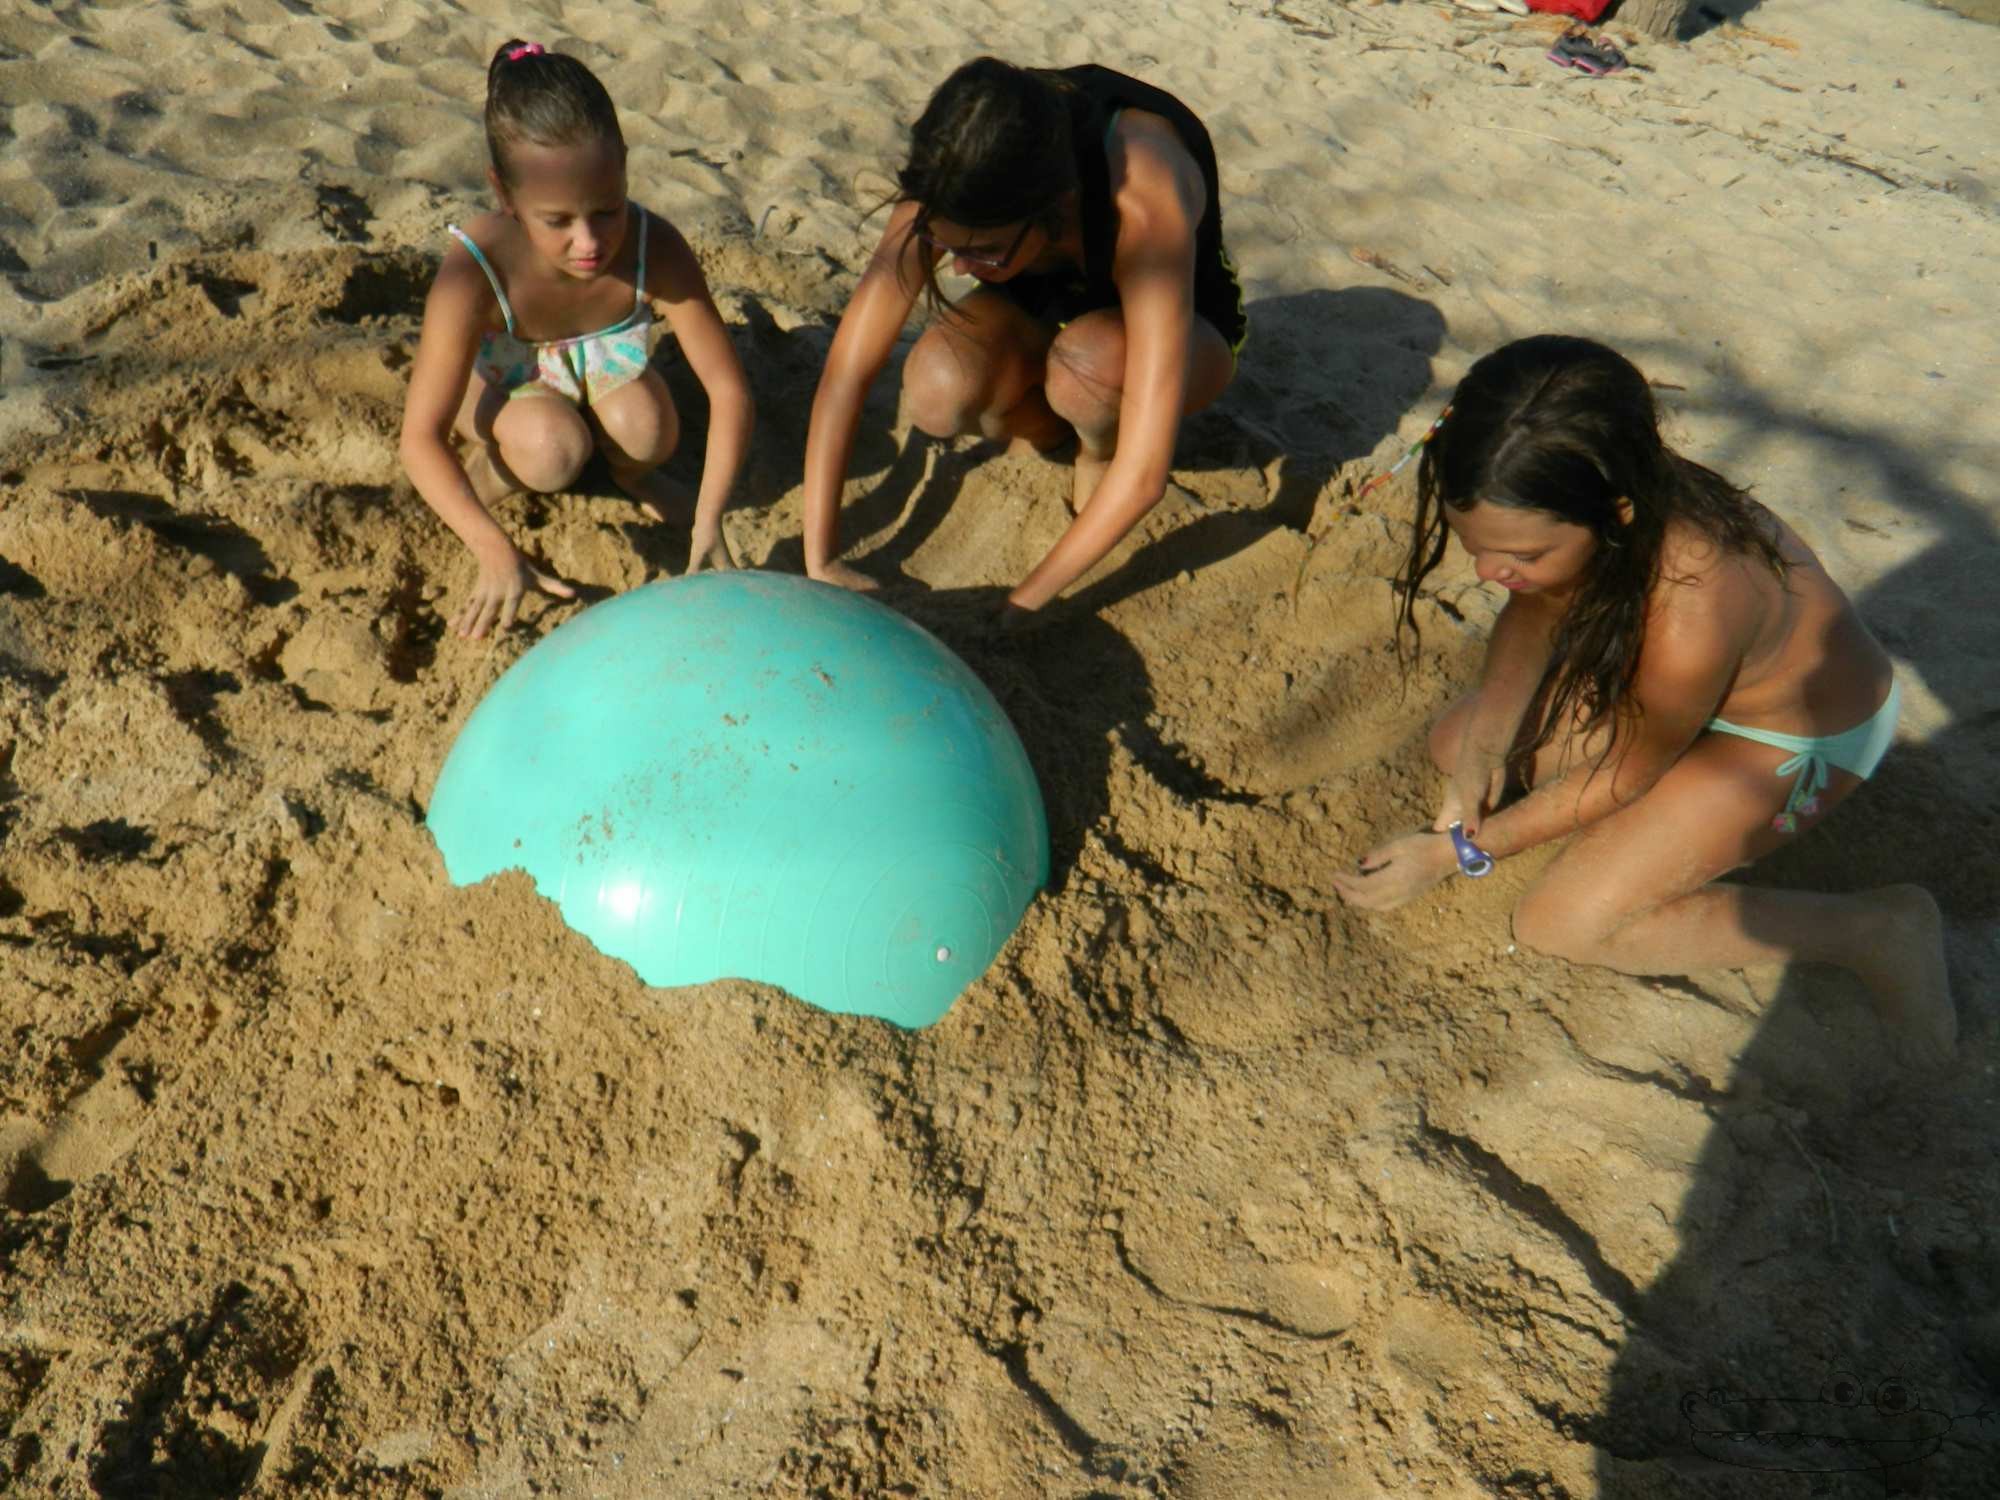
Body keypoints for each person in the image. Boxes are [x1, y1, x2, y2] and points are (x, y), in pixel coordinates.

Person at [1331, 336, 1954, 1065]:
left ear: (1616, 514)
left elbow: (1627, 771)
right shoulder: (1600, 489)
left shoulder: (1696, 597)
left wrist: (1457, 853)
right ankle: (1643, 836)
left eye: (1523, 555)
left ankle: (1875, 930)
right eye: (1477, 546)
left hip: (1797, 738)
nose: (1491, 570)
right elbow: (1533, 611)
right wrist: (1479, 760)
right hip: (1681, 699)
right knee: (1457, 739)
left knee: (1561, 924)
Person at [800, 57, 1246, 618]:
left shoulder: (1143, 193)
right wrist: (822, 560)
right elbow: (845, 376)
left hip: (1185, 330)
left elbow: (1147, 473)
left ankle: (1094, 449)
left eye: (983, 250)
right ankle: (1053, 426)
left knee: (1089, 367)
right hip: (1043, 303)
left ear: (1054, 209)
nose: (959, 269)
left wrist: (1022, 602)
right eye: (948, 247)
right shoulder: (958, 173)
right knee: (940, 387)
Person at [400, 39, 753, 640]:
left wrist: (709, 518)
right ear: (504, 195)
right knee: (550, 450)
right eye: (558, 221)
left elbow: (728, 390)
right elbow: (418, 439)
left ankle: (629, 476)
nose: (589, 243)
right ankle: (492, 478)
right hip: (506, 384)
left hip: (601, 365)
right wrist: (493, 550)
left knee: (649, 429)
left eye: (608, 210)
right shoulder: (476, 270)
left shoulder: (653, 247)